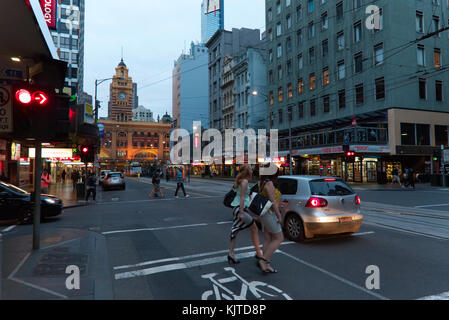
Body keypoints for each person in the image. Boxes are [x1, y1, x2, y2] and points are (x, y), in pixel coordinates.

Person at [228, 164, 263, 264]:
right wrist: (242, 213)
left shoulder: (242, 181)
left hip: (238, 208)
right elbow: (242, 197)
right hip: (240, 209)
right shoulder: (244, 181)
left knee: (235, 230)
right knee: (254, 228)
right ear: (247, 172)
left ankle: (231, 253)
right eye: (251, 169)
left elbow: (243, 196)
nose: (252, 171)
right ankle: (258, 253)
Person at [257, 167, 284, 274]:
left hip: (264, 214)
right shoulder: (269, 184)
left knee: (267, 238)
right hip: (270, 214)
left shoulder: (262, 182)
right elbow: (273, 202)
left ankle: (266, 265)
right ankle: (264, 261)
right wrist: (279, 215)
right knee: (279, 238)